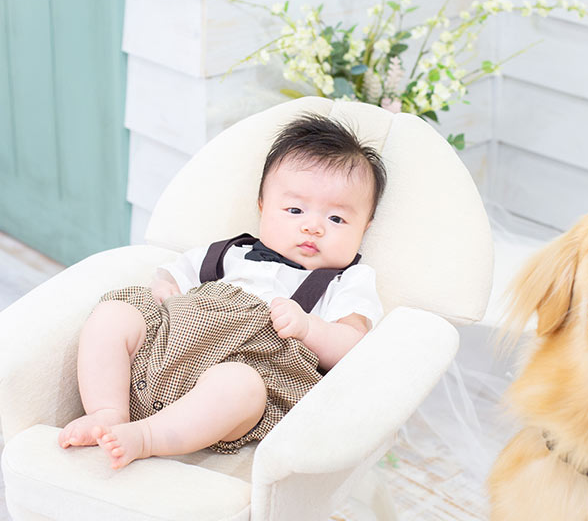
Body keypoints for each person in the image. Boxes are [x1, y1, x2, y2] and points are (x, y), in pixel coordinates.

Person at [57, 114, 387, 469]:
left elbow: (353, 345)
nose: (313, 226)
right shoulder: (231, 254)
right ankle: (108, 411)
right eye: (294, 209)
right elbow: (174, 273)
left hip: (246, 367)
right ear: (262, 207)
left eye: (336, 219)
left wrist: (310, 328)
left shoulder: (346, 280)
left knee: (239, 386)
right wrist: (165, 289)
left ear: (364, 227)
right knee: (114, 314)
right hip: (163, 352)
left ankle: (146, 437)